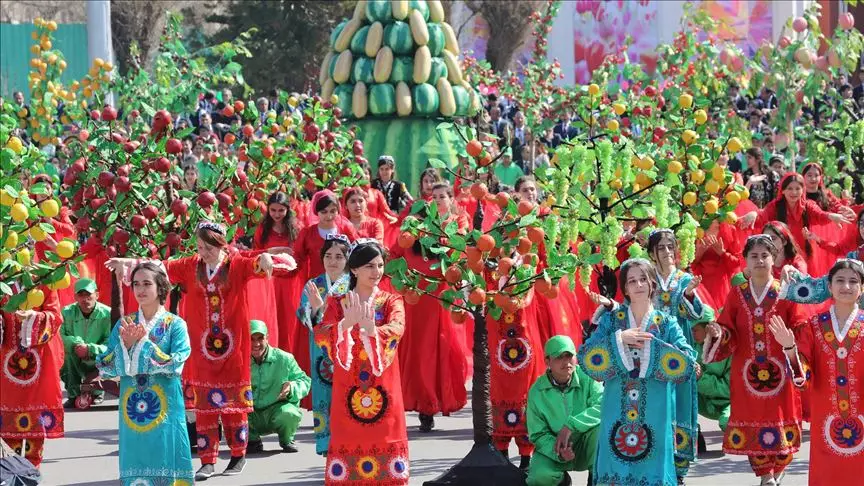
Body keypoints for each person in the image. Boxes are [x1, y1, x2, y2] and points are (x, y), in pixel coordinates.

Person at [106, 222, 286, 480]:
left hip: (233, 346)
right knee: (204, 407)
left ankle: (238, 455)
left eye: (209, 247)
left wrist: (267, 257)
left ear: (221, 245)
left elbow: (268, 264)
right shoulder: (191, 265)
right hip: (201, 348)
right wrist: (127, 261)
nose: (204, 252)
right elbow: (160, 267)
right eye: (200, 247)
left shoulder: (236, 264)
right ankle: (208, 460)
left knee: (234, 405)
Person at [579, 258, 696, 486]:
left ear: (652, 283)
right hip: (615, 404)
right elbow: (586, 356)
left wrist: (652, 348)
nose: (639, 284)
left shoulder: (667, 323)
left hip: (656, 406)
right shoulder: (612, 321)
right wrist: (620, 340)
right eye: (632, 281)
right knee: (614, 455)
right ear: (625, 288)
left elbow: (688, 360)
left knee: (653, 461)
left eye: (643, 279)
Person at [703, 235, 808, 486]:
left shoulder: (785, 293)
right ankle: (765, 476)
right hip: (746, 373)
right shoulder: (737, 295)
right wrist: (718, 332)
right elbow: (727, 327)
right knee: (753, 422)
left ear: (774, 259)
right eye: (754, 256)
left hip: (781, 372)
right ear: (746, 262)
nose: (760, 260)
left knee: (782, 425)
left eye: (765, 255)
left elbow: (801, 326)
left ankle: (777, 469)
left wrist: (791, 340)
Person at [318, 241, 410, 484]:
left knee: (385, 435)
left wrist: (373, 330)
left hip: (384, 384)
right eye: (370, 266)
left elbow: (398, 328)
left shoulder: (392, 301)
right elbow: (321, 333)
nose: (376, 272)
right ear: (355, 270)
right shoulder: (338, 303)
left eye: (380, 265)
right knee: (349, 438)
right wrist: (345, 326)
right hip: (347, 385)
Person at [95, 262, 193, 485]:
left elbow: (175, 364)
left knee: (167, 451)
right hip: (132, 408)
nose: (140, 289)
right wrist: (126, 347)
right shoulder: (124, 323)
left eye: (147, 284)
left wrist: (141, 344)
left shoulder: (175, 325)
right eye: (136, 284)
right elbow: (105, 366)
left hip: (167, 405)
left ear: (160, 288)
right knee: (135, 457)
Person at [774, 259, 864, 486]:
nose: (846, 286)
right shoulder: (815, 326)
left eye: (853, 281)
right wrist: (790, 349)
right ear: (830, 286)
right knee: (827, 473)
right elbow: (803, 371)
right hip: (826, 415)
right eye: (840, 280)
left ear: (862, 289)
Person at [390, 182, 469, 432]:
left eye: (442, 197)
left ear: (451, 200)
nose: (437, 201)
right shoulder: (415, 226)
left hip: (444, 298)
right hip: (418, 299)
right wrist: (403, 282)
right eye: (433, 197)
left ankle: (442, 398)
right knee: (421, 353)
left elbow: (464, 256)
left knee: (447, 349)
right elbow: (394, 255)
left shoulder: (458, 224)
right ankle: (425, 406)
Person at [293, 191, 359, 378]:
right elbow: (297, 258)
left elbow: (358, 254)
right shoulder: (308, 232)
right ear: (316, 212)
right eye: (324, 212)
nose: (329, 216)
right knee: (315, 336)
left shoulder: (345, 228)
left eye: (333, 211)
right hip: (317, 288)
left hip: (343, 288)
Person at [297, 235, 351, 456]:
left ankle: (349, 441)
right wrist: (318, 309)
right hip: (320, 350)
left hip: (347, 346)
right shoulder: (314, 285)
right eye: (328, 256)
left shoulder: (353, 283)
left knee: (347, 392)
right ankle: (327, 445)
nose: (333, 261)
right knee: (323, 393)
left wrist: (326, 309)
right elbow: (303, 315)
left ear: (348, 259)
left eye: (339, 256)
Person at [526, 336, 603, 486]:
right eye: (559, 357)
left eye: (569, 356)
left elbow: (602, 406)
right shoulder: (537, 391)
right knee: (538, 478)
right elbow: (537, 434)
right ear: (547, 362)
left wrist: (570, 426)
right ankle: (562, 481)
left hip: (585, 445)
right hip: (554, 448)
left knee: (602, 432)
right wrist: (559, 452)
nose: (566, 362)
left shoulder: (588, 377)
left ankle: (595, 480)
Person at [0, 285, 63, 468]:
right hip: (4, 362)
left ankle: (30, 473)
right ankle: (9, 474)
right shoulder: (3, 280)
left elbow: (56, 316)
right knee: (5, 432)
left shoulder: (44, 280)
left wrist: (35, 318)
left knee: (35, 436)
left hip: (38, 363)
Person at [740, 173, 854, 262]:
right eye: (789, 188)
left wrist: (831, 216)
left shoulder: (808, 205)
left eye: (797, 188)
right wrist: (754, 213)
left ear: (803, 190)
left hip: (803, 255)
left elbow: (819, 214)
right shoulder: (775, 206)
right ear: (783, 190)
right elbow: (762, 217)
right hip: (780, 256)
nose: (794, 192)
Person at [247, 320, 310, 454]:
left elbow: (304, 381)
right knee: (233, 413)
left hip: (276, 409)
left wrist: (292, 387)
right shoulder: (240, 361)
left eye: (260, 338)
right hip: (251, 412)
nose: (256, 344)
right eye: (251, 339)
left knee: (289, 413)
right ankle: (252, 440)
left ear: (267, 338)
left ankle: (287, 439)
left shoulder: (284, 359)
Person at [252, 191, 302, 352]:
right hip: (269, 280)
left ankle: (289, 356)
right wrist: (271, 251)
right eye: (273, 210)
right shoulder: (263, 229)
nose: (277, 214)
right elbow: (256, 254)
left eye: (281, 210)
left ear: (288, 209)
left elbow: (301, 254)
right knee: (271, 319)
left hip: (290, 282)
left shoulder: (296, 228)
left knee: (288, 321)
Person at [59, 278, 112, 408]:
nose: (85, 299)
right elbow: (59, 336)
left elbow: (111, 342)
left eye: (88, 294)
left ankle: (97, 392)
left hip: (97, 356)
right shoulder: (66, 312)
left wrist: (90, 349)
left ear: (97, 295)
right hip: (75, 354)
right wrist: (76, 344)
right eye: (81, 295)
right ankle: (73, 394)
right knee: (66, 356)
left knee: (108, 356)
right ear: (75, 297)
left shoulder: (108, 313)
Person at [690, 321, 731, 452]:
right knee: (679, 401)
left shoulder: (728, 351)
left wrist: (701, 378)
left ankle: (737, 440)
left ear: (707, 328)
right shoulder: (693, 348)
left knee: (727, 422)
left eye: (695, 330)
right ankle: (694, 435)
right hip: (704, 400)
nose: (692, 334)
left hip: (729, 402)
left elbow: (728, 390)